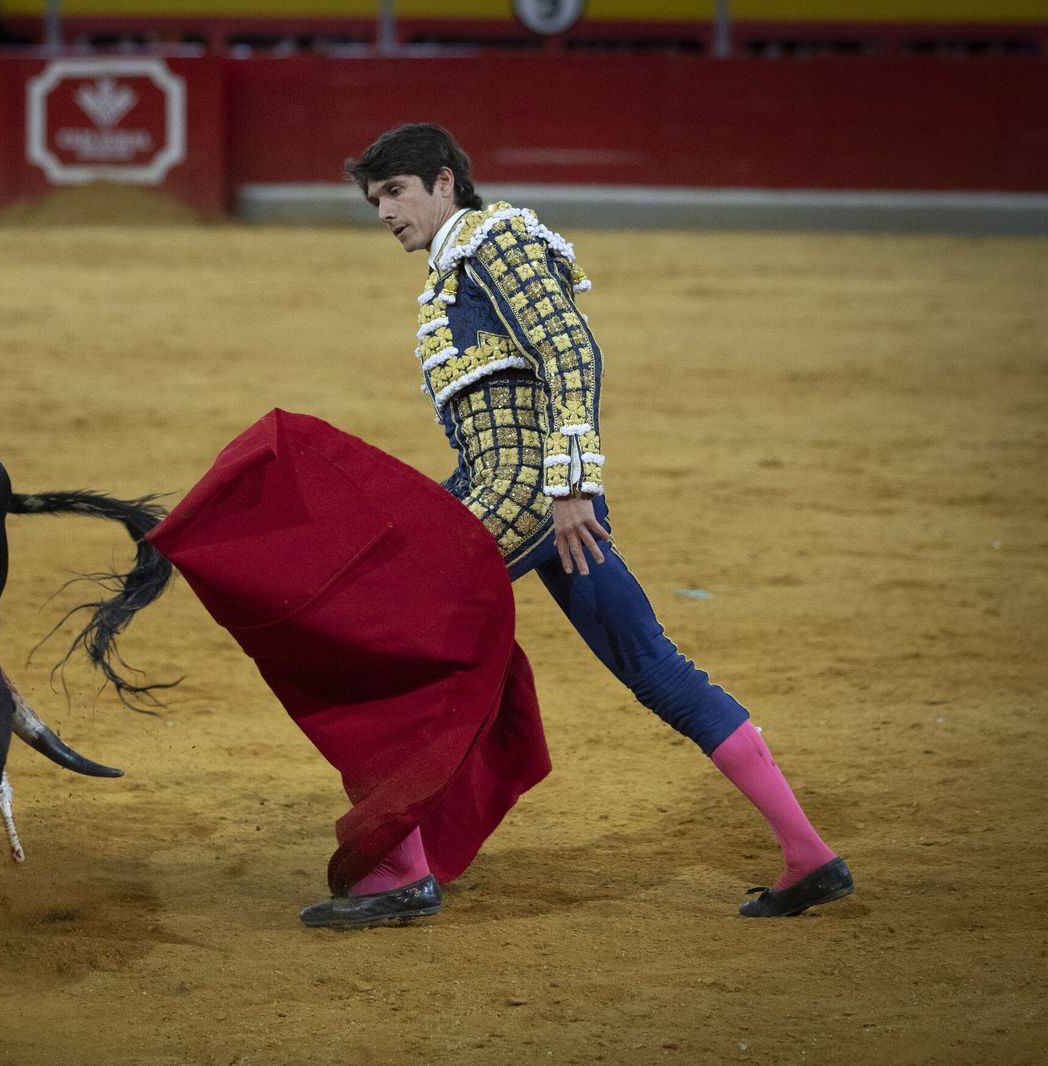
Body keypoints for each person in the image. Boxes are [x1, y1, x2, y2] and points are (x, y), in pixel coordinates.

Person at [301, 122, 853, 928]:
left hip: (528, 489)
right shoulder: (461, 263)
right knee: (650, 660)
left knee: (376, 631)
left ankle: (402, 869)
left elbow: (571, 353)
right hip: (514, 487)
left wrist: (570, 485)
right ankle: (809, 855)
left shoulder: (494, 239)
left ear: (446, 181)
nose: (384, 211)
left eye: (395, 191)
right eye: (373, 198)